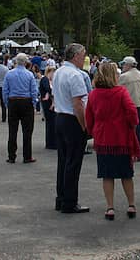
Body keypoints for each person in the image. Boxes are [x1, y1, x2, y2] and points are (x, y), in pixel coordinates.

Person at [85, 62, 140, 221]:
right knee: (126, 174)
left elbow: (89, 118)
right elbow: (132, 113)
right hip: (121, 138)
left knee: (107, 175)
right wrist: (131, 124)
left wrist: (92, 130)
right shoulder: (121, 92)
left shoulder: (94, 94)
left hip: (103, 139)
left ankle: (110, 207)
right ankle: (131, 205)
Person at [52, 43, 91, 214]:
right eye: (83, 56)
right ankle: (69, 201)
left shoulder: (59, 71)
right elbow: (78, 104)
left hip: (60, 116)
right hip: (72, 119)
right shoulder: (75, 75)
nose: (84, 59)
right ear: (75, 56)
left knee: (63, 161)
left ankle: (61, 198)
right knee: (73, 163)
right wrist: (84, 125)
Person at [3, 53, 38, 164]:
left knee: (12, 130)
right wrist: (33, 103)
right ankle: (27, 156)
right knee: (27, 131)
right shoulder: (29, 75)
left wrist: (7, 103)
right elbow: (34, 91)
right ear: (26, 62)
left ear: (16, 62)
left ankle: (11, 156)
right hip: (26, 102)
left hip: (13, 101)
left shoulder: (9, 74)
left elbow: (5, 90)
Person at [119, 56, 140, 160]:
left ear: (128, 65)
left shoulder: (124, 76)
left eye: (124, 64)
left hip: (129, 105)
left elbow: (118, 89)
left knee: (129, 130)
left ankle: (129, 152)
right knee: (139, 129)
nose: (123, 66)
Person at [40, 66, 57, 150]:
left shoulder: (51, 81)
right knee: (50, 122)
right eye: (53, 72)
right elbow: (48, 89)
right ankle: (51, 143)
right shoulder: (45, 80)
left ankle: (52, 141)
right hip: (47, 103)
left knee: (52, 123)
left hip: (51, 102)